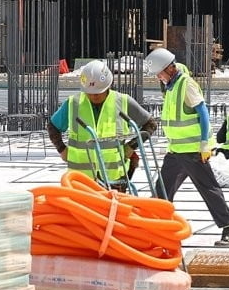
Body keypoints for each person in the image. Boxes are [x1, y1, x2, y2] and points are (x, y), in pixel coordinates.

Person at [146, 48, 229, 246]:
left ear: (169, 68)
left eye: (159, 73)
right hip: (177, 151)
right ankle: (158, 228)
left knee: (208, 188)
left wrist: (204, 143)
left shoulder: (186, 84)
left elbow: (203, 113)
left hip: (194, 151)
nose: (158, 77)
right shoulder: (171, 86)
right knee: (162, 189)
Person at [47, 60, 157, 191]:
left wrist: (131, 146)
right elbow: (52, 126)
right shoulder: (73, 103)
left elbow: (150, 125)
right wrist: (61, 149)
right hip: (81, 178)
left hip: (114, 179)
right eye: (90, 92)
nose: (94, 95)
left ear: (108, 86)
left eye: (98, 92)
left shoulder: (123, 102)